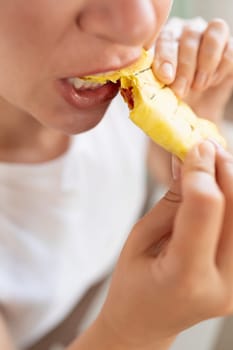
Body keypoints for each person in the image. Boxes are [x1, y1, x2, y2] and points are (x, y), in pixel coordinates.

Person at [1, 1, 233, 350]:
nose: (139, 23)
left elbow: (149, 162)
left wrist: (194, 116)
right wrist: (134, 333)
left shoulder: (110, 86)